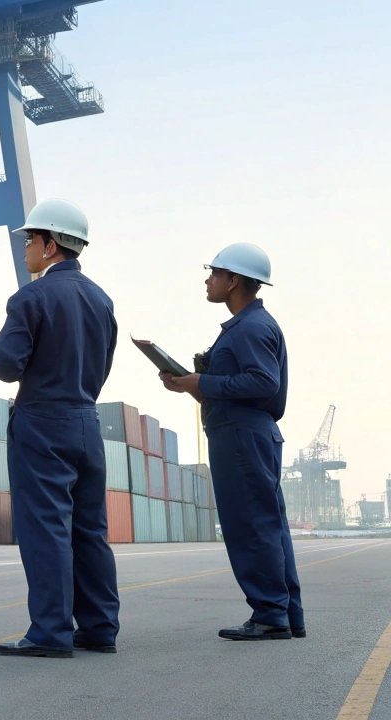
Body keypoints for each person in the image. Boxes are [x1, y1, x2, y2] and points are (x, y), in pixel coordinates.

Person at [0, 199, 121, 659]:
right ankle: (100, 628)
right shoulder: (102, 300)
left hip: (42, 422)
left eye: (30, 239)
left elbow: (7, 366)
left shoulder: (30, 297)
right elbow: (102, 365)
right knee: (89, 530)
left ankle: (49, 631)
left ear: (49, 245)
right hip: (87, 419)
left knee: (45, 528)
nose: (26, 248)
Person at [158, 243, 303, 641]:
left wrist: (202, 381)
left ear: (234, 280)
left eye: (214, 272)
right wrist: (189, 385)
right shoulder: (251, 326)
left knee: (249, 526)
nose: (208, 279)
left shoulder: (251, 328)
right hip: (247, 432)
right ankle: (286, 614)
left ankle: (270, 615)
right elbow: (243, 387)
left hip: (242, 437)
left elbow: (263, 382)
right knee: (268, 525)